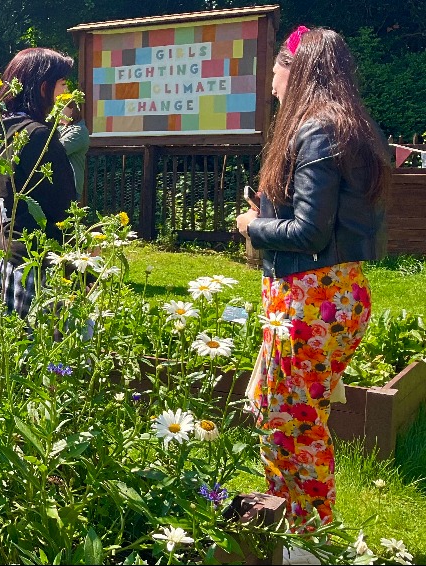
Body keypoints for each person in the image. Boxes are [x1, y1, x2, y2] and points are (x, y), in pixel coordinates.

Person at [236, 26, 389, 529]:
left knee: (293, 427)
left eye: (277, 71)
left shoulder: (316, 129)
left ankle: (305, 538)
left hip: (309, 301)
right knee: (286, 414)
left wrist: (252, 225)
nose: (272, 84)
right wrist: (270, 208)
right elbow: (334, 218)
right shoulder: (355, 127)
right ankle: (301, 527)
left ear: (296, 70)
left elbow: (308, 231)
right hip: (334, 295)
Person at [0, 47, 78, 318]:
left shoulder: (5, 130)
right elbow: (63, 210)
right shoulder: (40, 136)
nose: (68, 93)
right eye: (63, 84)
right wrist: (80, 271)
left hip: (9, 260)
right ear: (44, 88)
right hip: (39, 268)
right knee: (53, 356)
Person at [58, 101, 89, 199]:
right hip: (59, 186)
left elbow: (58, 150)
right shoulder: (61, 128)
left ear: (71, 110)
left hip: (70, 187)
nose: (57, 112)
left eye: (60, 108)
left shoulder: (79, 131)